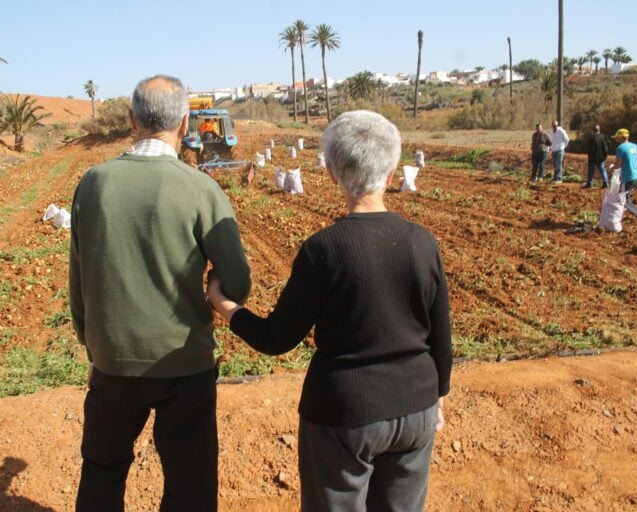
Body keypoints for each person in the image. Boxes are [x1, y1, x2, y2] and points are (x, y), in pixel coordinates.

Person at [207, 110, 453, 512]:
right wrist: (437, 395)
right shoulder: (423, 242)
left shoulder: (324, 250)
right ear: (392, 172)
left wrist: (225, 306)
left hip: (344, 414)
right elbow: (440, 335)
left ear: (333, 174)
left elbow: (276, 338)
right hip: (417, 408)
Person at [69, 74, 251, 511]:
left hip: (113, 362)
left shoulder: (93, 184)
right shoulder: (201, 189)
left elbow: (79, 277)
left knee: (102, 471)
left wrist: (92, 348)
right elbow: (239, 282)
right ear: (186, 122)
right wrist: (211, 287)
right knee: (190, 482)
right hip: (184, 366)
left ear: (132, 120)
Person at [612, 128, 637, 230]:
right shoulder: (635, 146)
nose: (616, 139)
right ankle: (624, 216)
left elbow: (618, 164)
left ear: (621, 137)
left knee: (623, 200)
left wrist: (612, 168)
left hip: (627, 177)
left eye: (617, 137)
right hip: (635, 175)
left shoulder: (621, 148)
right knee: (627, 198)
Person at [584, 124, 610, 188]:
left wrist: (590, 156)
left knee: (591, 170)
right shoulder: (604, 136)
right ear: (599, 130)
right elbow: (608, 144)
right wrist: (605, 154)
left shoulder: (592, 138)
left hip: (593, 158)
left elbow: (589, 148)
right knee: (602, 169)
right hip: (602, 157)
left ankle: (589, 183)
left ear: (593, 130)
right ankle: (605, 182)